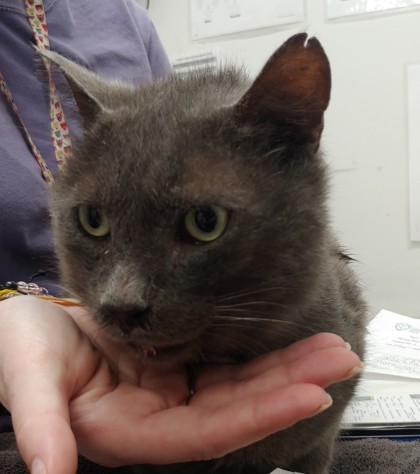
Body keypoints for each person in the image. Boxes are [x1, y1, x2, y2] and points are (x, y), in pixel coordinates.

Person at [0, 1, 363, 474]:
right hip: (63, 389)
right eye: (94, 223)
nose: (121, 296)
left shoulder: (123, 16)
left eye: (203, 222)